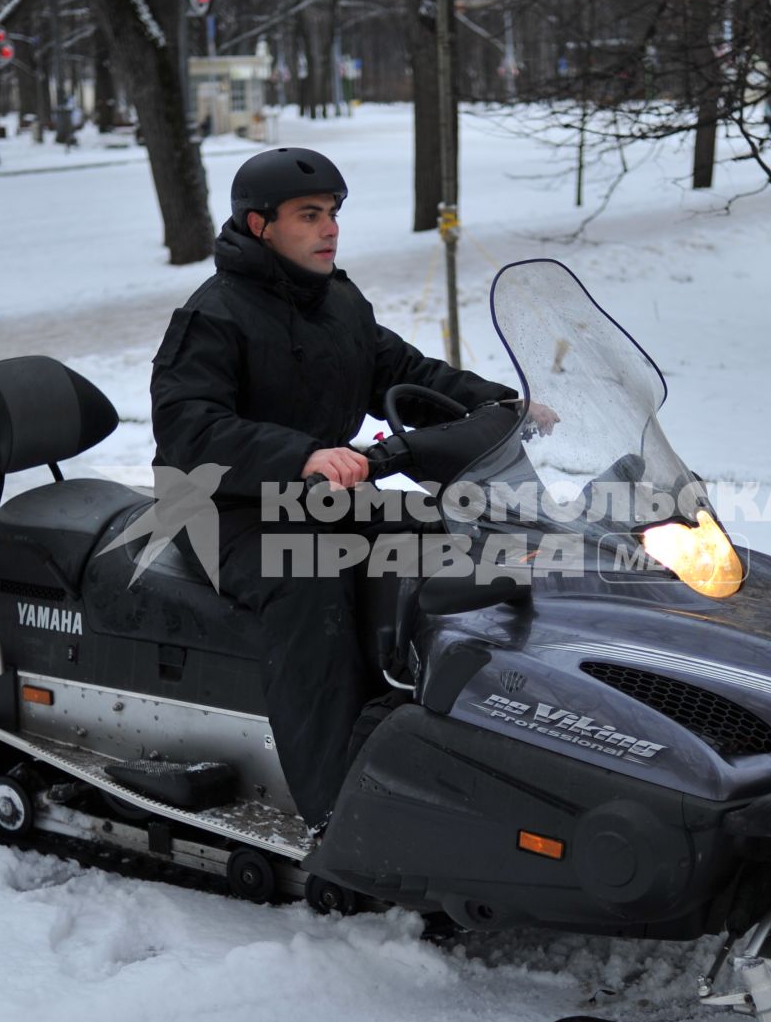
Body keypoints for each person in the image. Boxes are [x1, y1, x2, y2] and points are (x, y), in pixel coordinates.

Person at [149, 147, 518, 826]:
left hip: (312, 488)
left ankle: (448, 732)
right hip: (216, 505)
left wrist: (498, 404)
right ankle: (336, 810)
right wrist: (303, 454)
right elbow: (187, 426)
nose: (330, 229)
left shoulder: (336, 302)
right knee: (309, 578)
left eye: (334, 214)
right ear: (260, 226)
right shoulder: (214, 315)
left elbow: (403, 371)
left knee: (436, 534)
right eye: (309, 215)